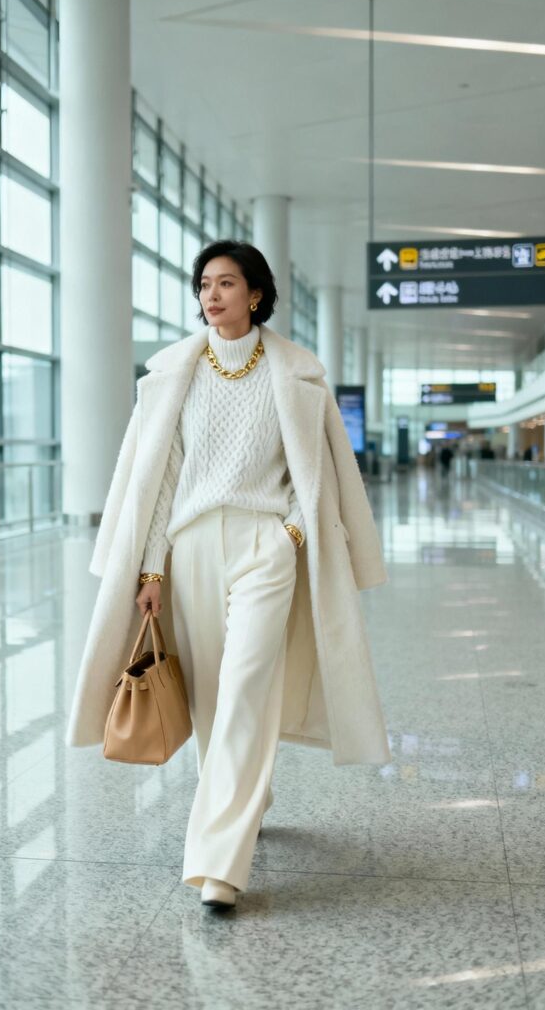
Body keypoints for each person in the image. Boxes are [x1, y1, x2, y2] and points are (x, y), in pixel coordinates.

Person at [65, 239, 391, 914]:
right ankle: (247, 795)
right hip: (188, 550)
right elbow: (158, 483)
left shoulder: (296, 374)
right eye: (203, 284)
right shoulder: (174, 375)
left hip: (264, 547)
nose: (211, 295)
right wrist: (152, 566)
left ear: (257, 295)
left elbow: (318, 472)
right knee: (214, 696)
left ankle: (218, 861)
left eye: (225, 283)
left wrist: (290, 536)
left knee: (245, 686)